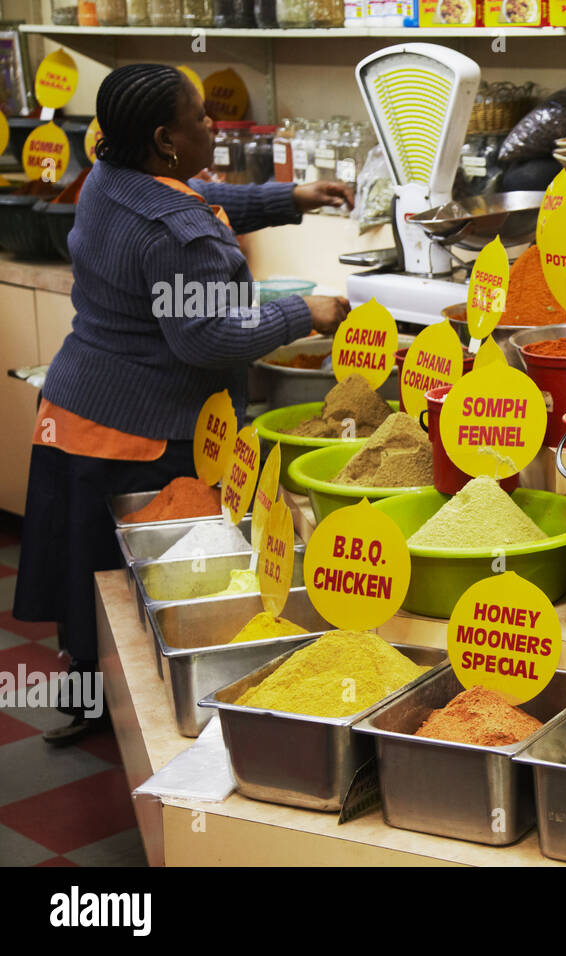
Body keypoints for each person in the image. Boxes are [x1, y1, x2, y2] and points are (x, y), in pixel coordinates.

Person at [13, 63, 353, 745]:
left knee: (91, 577)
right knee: (156, 583)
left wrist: (294, 196)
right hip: (142, 429)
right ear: (166, 138)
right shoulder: (174, 232)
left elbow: (197, 198)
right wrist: (304, 313)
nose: (213, 125)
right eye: (200, 119)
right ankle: (163, 724)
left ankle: (89, 701)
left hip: (75, 408)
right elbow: (206, 336)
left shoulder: (109, 179)